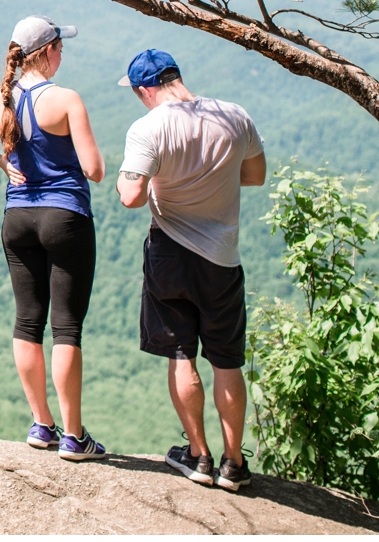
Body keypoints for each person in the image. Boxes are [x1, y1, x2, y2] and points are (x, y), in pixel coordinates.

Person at [0, 16, 108, 462]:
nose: (63, 55)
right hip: (65, 216)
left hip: (17, 217)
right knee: (66, 327)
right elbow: (94, 170)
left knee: (27, 321)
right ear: (47, 51)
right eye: (60, 48)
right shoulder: (67, 99)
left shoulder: (0, 100)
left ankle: (41, 424)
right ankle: (73, 436)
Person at [116, 48, 266, 492]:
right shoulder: (234, 115)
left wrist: (138, 178)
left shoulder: (148, 128)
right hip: (222, 257)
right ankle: (234, 463)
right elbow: (255, 175)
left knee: (182, 353)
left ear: (145, 90)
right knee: (226, 360)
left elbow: (131, 196)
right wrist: (212, 177)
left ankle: (198, 456)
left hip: (170, 253)